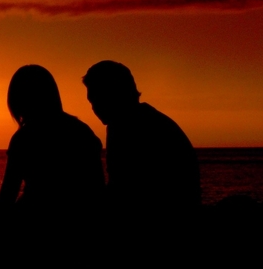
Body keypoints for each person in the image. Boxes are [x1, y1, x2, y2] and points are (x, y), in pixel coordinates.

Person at [0, 65, 105, 269]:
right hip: (85, 230)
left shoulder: (25, 138)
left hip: (39, 233)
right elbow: (97, 190)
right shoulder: (82, 131)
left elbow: (8, 194)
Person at [82, 61, 200, 214]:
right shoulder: (136, 121)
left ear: (117, 93)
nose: (95, 107)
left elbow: (126, 191)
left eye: (99, 99)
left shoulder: (132, 127)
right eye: (92, 101)